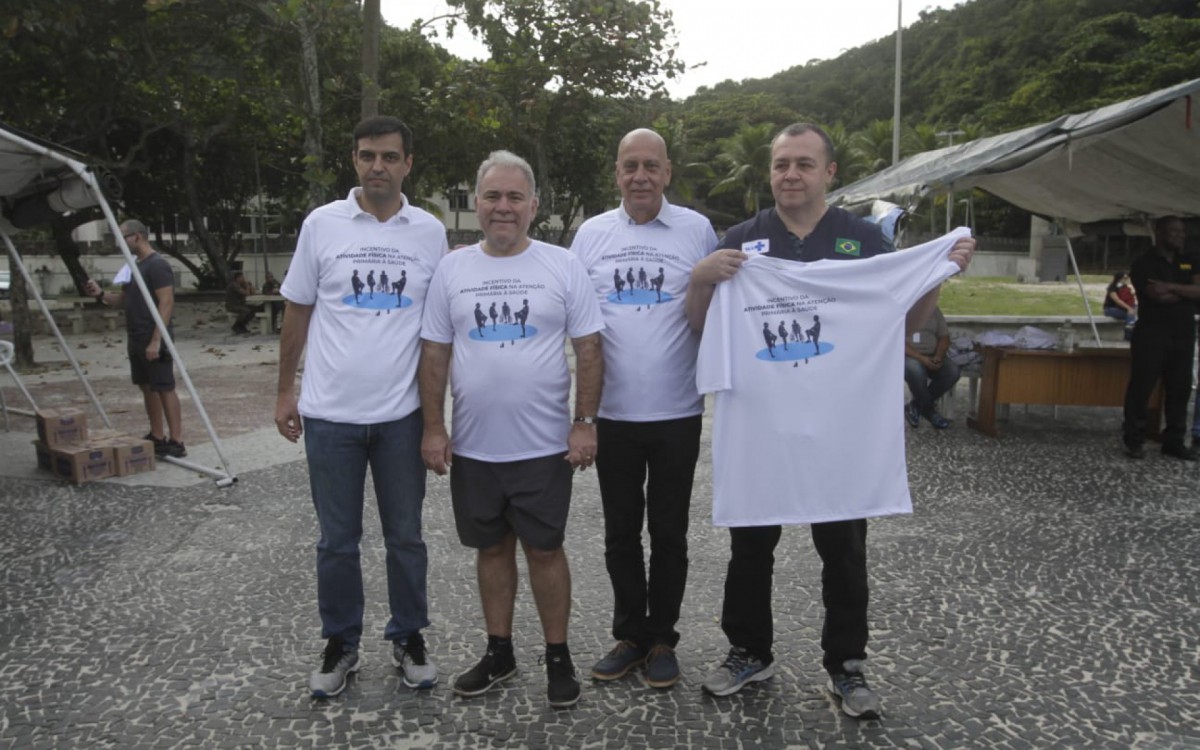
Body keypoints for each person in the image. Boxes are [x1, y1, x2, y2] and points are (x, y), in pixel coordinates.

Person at [684, 123, 974, 719]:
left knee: (843, 549)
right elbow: (700, 327)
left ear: (829, 172)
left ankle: (846, 663)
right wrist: (700, 279)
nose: (790, 174)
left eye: (804, 164)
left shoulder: (863, 240)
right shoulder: (741, 241)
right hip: (762, 425)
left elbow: (899, 321)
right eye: (781, 164)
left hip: (840, 426)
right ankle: (749, 650)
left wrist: (937, 275)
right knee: (750, 540)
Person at [418, 150, 604, 709]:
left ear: (534, 206)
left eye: (515, 197)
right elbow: (434, 352)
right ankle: (499, 651)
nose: (504, 207)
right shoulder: (452, 270)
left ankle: (558, 655)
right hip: (475, 447)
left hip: (543, 447)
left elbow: (589, 348)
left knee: (545, 550)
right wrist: (433, 427)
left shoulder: (562, 264)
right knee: (492, 550)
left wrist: (584, 423)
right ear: (477, 203)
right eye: (493, 196)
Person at [274, 115, 447, 699]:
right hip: (330, 416)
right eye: (368, 155)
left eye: (390, 156)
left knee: (406, 537)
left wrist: (436, 418)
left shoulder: (428, 232)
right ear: (353, 159)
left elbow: (437, 330)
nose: (378, 166)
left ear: (408, 164)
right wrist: (284, 390)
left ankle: (408, 637)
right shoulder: (321, 225)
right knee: (336, 542)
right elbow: (298, 310)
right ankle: (340, 642)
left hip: (401, 417)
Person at [570, 128, 719, 689]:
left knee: (670, 533)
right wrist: (579, 415)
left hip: (677, 411)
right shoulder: (591, 235)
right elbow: (574, 320)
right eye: (630, 165)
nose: (640, 176)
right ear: (616, 173)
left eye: (651, 166)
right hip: (613, 413)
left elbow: (718, 307)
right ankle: (630, 635)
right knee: (620, 534)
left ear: (667, 172)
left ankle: (663, 640)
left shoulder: (696, 230)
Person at [84, 220, 186, 458]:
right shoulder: (132, 265)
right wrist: (101, 294)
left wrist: (156, 339)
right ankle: (157, 435)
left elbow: (166, 302)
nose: (119, 242)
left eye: (123, 237)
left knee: (164, 387)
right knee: (146, 386)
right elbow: (123, 299)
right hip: (136, 335)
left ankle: (177, 440)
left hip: (153, 334)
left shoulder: (157, 265)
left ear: (137, 236)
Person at [1121, 216, 1199, 461]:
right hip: (1152, 333)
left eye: (1182, 231)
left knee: (1180, 388)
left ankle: (1174, 441)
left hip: (1183, 334)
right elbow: (1156, 295)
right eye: (1174, 231)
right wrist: (1185, 291)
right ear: (1159, 232)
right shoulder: (1144, 263)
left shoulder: (1189, 260)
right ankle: (1135, 439)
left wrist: (1171, 287)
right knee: (1142, 386)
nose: (1180, 235)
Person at [903, 305, 960, 429]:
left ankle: (915, 405)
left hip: (933, 354)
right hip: (909, 356)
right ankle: (929, 411)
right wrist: (921, 358)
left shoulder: (933, 309)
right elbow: (897, 341)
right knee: (916, 371)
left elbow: (944, 337)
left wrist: (938, 356)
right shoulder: (902, 308)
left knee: (952, 371)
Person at [225, 270, 263, 334]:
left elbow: (252, 293)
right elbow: (246, 293)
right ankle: (236, 326)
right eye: (242, 277)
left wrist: (250, 285)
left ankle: (242, 325)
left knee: (254, 309)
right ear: (238, 278)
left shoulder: (240, 285)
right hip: (233, 305)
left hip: (240, 304)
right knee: (246, 311)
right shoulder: (234, 285)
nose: (244, 279)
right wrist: (247, 286)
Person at [1103, 271, 1137, 341]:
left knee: (1131, 314)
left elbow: (1128, 298)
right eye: (1124, 278)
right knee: (1130, 315)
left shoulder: (1125, 287)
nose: (1126, 280)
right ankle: (1129, 336)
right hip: (1110, 309)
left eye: (1127, 278)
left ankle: (1130, 335)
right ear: (1119, 278)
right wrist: (1129, 308)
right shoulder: (1112, 288)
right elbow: (1117, 300)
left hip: (1122, 309)